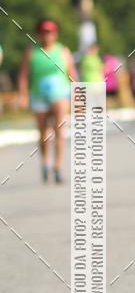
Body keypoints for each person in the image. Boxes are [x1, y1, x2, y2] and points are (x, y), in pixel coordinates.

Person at [18, 18, 77, 184]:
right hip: (38, 95)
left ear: (55, 34)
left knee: (59, 131)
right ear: (39, 34)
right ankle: (45, 162)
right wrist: (22, 95)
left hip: (60, 94)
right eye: (44, 32)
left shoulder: (63, 50)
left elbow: (72, 74)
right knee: (43, 133)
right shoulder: (32, 51)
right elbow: (23, 75)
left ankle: (57, 167)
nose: (47, 36)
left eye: (50, 32)